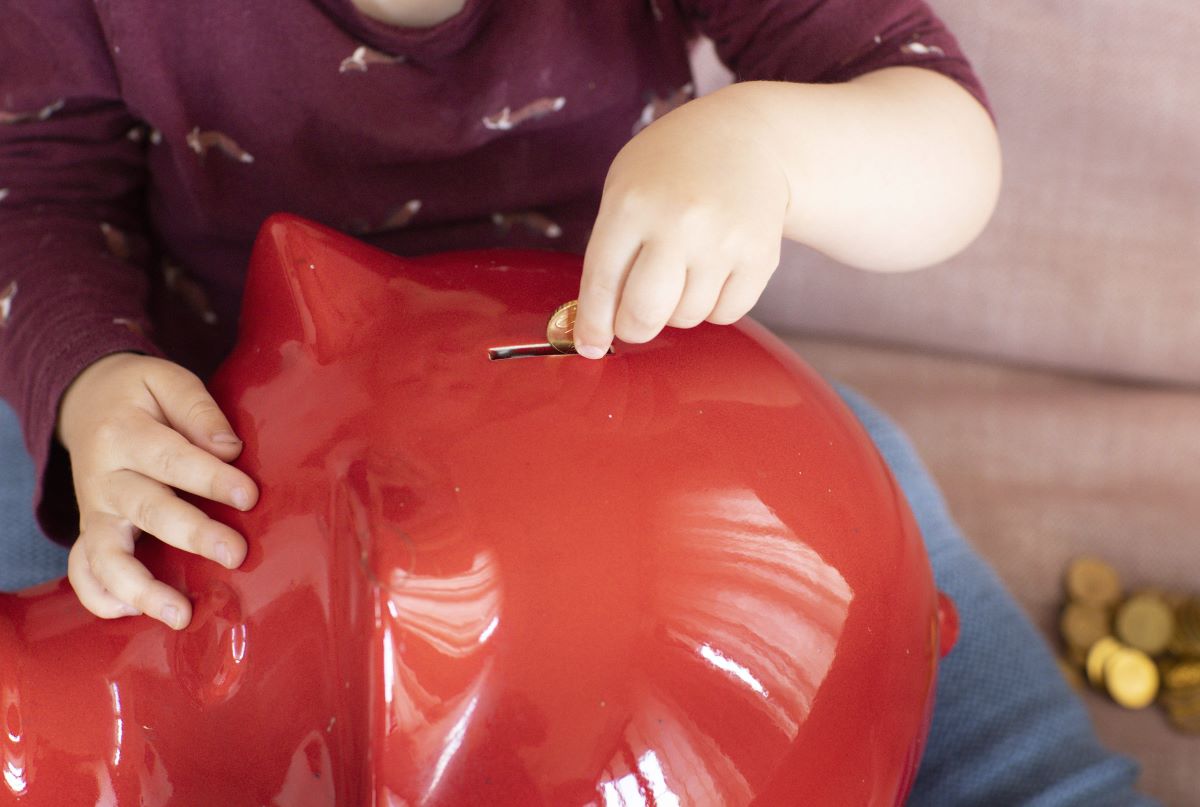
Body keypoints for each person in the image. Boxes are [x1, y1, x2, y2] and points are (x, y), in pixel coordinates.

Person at [0, 1, 1158, 803]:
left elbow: (945, 142)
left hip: (639, 425)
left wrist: (772, 149)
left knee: (878, 535)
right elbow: (38, 185)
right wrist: (90, 384)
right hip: (214, 425)